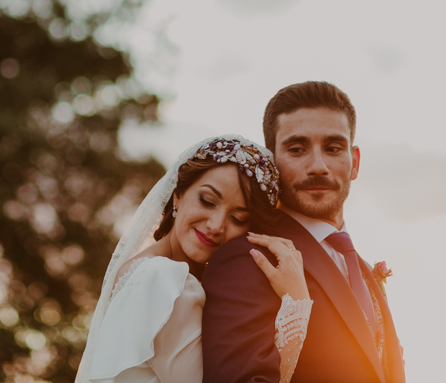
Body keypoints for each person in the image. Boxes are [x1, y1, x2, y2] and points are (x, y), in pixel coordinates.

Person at [201, 82, 407, 383]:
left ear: (355, 162)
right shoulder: (249, 259)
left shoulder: (360, 266)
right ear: (271, 162)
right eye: (297, 149)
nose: (318, 166)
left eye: (333, 148)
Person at [75, 135, 314, 383]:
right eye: (207, 201)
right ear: (178, 194)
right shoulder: (166, 280)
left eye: (238, 219)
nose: (216, 225)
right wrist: (296, 307)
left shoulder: (141, 269)